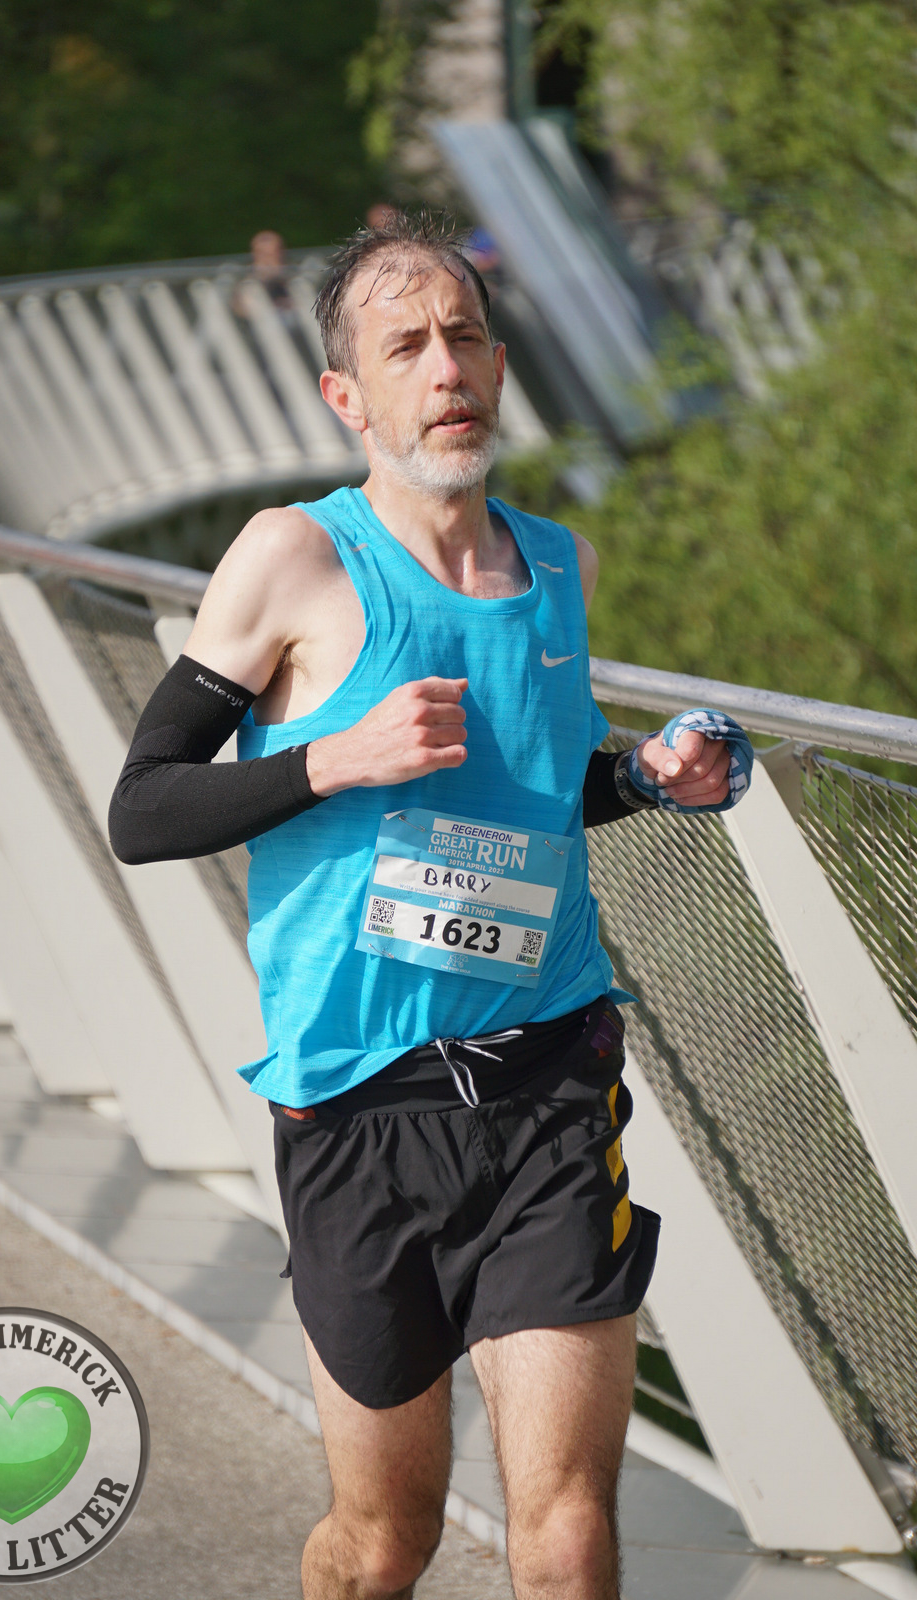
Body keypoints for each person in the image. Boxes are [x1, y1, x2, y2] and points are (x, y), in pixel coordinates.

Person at [109, 211, 751, 1600]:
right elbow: (142, 807)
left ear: (501, 366)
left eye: (463, 337)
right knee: (379, 1549)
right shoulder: (293, 558)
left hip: (548, 1083)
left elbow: (536, 796)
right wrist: (334, 757)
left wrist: (643, 777)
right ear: (347, 396)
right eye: (404, 347)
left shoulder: (559, 564)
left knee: (564, 1542)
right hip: (358, 1108)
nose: (444, 367)